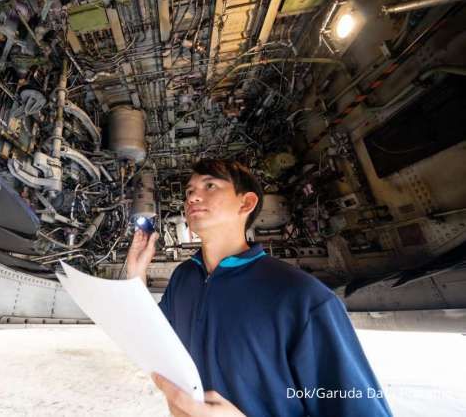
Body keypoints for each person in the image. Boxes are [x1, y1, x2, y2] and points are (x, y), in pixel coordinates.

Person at [126, 159, 392, 417]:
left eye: (210, 186)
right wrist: (135, 277)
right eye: (189, 192)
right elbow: (154, 337)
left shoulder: (303, 298)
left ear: (247, 203)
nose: (192, 198)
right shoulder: (184, 277)